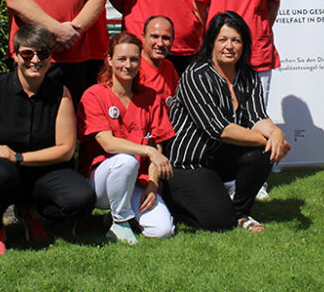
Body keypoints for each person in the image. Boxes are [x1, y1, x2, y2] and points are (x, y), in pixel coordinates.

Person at [0, 24, 95, 255]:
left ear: (51, 57)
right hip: (2, 169)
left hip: (45, 172)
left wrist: (19, 157)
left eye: (43, 54)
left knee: (82, 198)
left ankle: (31, 213)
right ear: (15, 55)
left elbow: (66, 150)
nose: (35, 60)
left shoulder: (61, 94)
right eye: (27, 53)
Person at [164, 12, 290, 231]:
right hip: (188, 161)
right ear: (211, 42)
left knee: (263, 154)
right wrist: (267, 141)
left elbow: (257, 117)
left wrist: (277, 135)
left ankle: (241, 212)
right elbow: (218, 129)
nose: (229, 46)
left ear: (244, 45)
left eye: (236, 40)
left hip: (219, 157)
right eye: (222, 40)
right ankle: (171, 199)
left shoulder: (248, 76)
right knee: (219, 223)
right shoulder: (196, 75)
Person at [78, 32, 176, 244]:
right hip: (100, 182)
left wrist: (152, 183)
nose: (128, 65)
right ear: (110, 60)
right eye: (121, 59)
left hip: (137, 181)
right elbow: (107, 143)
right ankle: (120, 221)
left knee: (163, 230)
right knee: (126, 160)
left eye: (134, 59)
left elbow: (157, 145)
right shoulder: (94, 95)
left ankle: (113, 216)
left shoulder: (151, 98)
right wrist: (147, 150)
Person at [140, 16, 181, 106]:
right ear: (143, 37)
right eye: (154, 36)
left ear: (172, 40)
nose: (160, 43)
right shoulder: (133, 67)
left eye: (165, 38)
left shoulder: (169, 67)